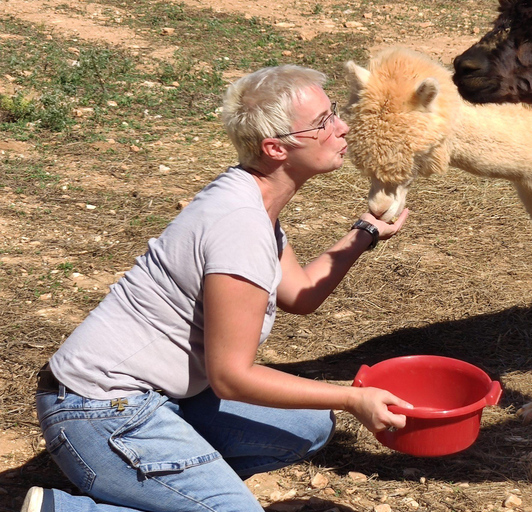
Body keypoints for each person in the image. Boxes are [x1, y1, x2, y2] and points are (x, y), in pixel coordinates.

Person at [22, 64, 411, 512]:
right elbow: (231, 378)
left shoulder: (249, 196)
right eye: (323, 122)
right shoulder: (239, 225)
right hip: (98, 411)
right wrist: (353, 398)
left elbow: (301, 294)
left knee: (310, 426)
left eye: (334, 113)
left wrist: (364, 232)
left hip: (158, 397)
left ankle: (178, 489)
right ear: (276, 147)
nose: (342, 128)